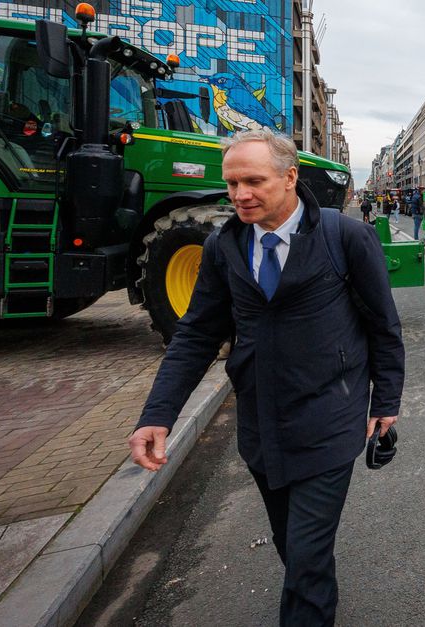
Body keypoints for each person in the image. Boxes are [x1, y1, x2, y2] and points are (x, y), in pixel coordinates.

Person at [127, 128, 405, 626]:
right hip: (261, 426)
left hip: (330, 418)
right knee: (292, 546)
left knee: (305, 556)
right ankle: (315, 588)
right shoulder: (222, 246)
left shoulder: (346, 237)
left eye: (253, 181)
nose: (239, 195)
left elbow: (383, 327)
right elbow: (195, 335)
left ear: (291, 177)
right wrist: (158, 414)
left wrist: (385, 401)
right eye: (231, 183)